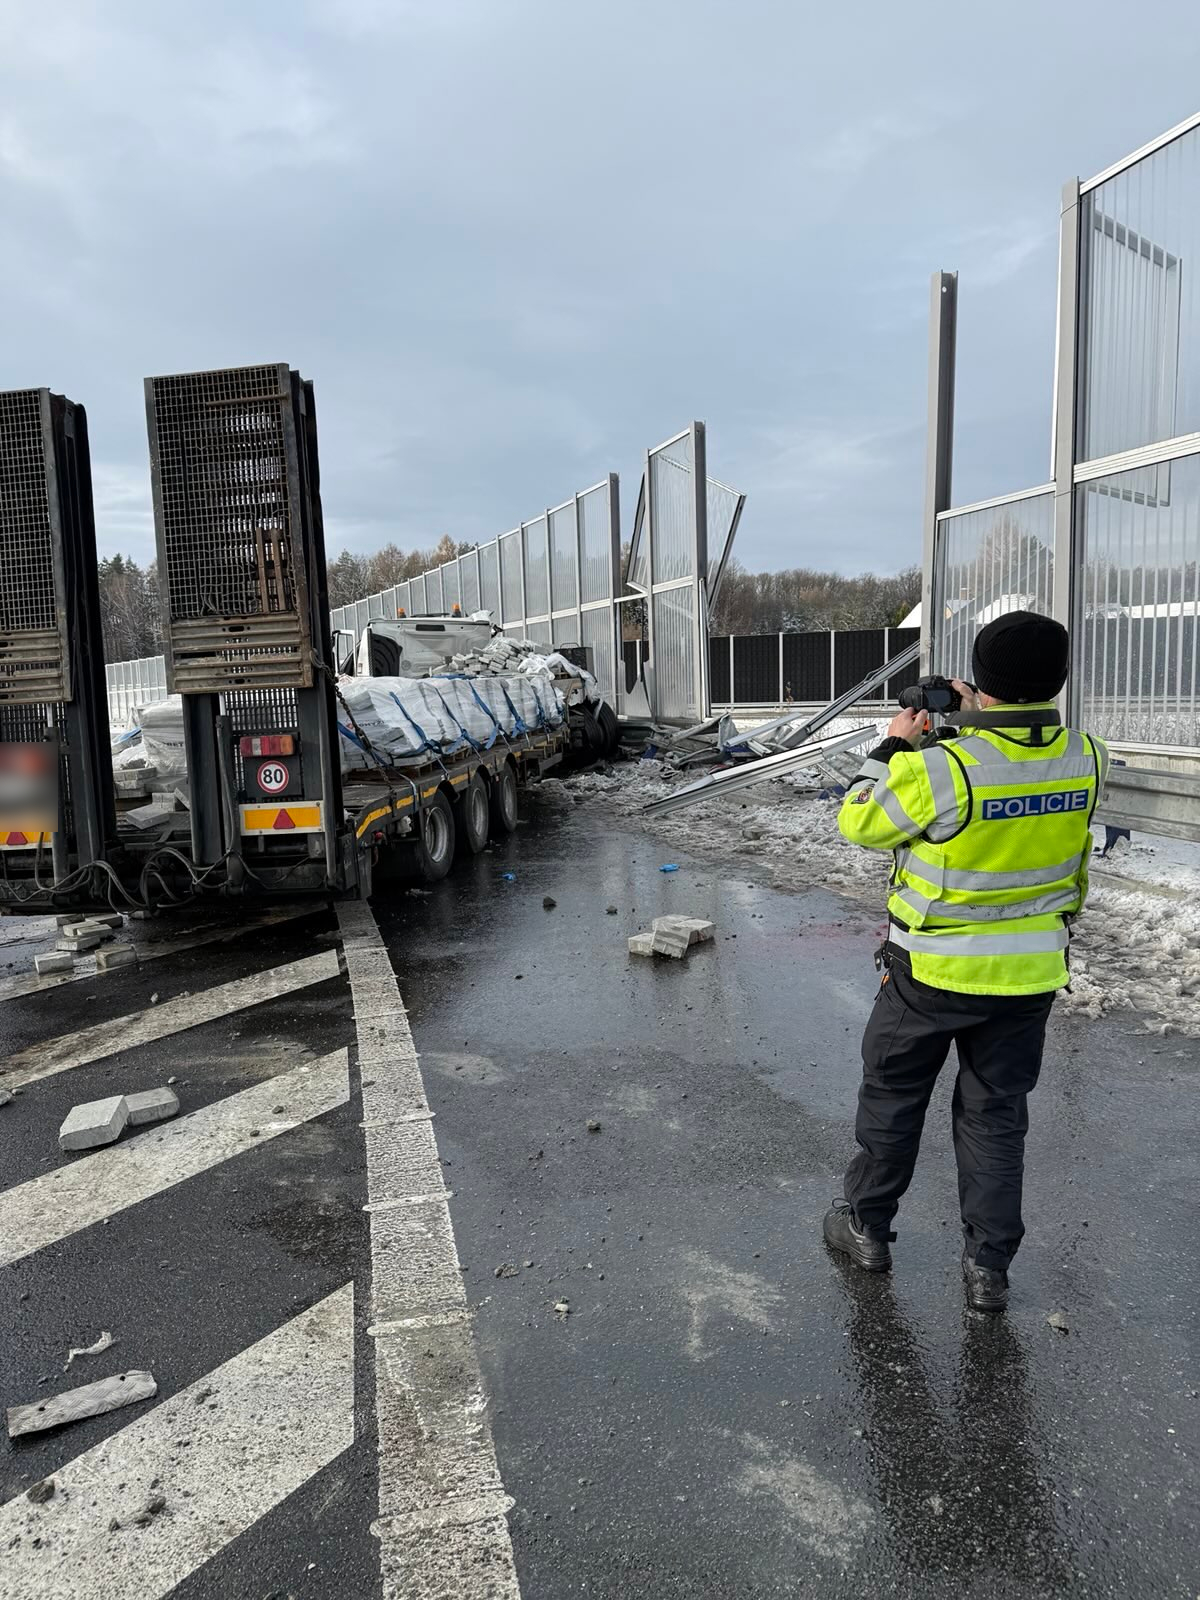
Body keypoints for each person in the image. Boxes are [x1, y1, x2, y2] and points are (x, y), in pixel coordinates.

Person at [823, 612, 1108, 1312]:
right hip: (1030, 975)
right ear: (1060, 678)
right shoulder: (1088, 756)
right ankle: (988, 1268)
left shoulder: (939, 769)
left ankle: (867, 1228)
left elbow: (858, 819)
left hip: (930, 974)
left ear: (979, 683)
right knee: (996, 1118)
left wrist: (895, 743)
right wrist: (977, 716)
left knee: (894, 1099)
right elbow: (1018, 774)